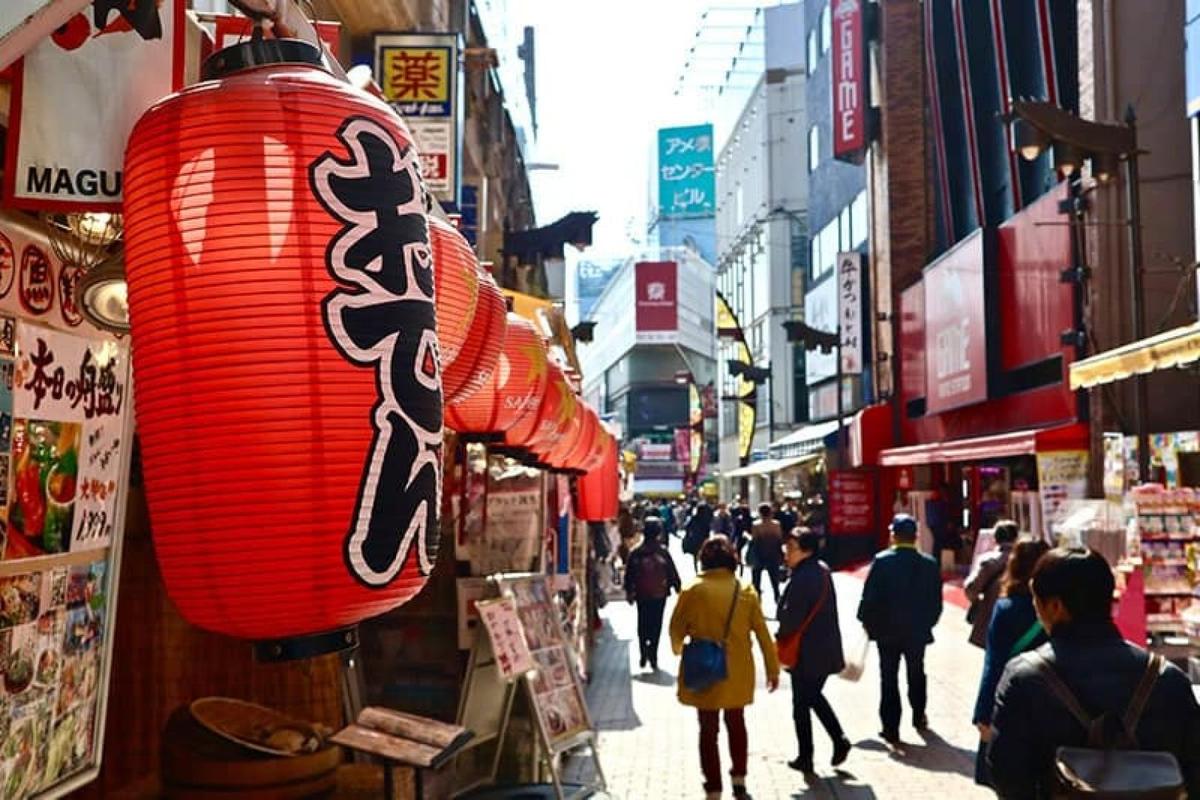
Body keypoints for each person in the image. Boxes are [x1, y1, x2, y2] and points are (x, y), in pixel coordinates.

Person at [989, 547, 1200, 798]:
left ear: (1056, 606)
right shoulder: (1167, 678)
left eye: (1037, 601)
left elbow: (1007, 776)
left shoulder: (1025, 678)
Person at [670, 536, 780, 800]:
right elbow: (764, 634)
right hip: (737, 668)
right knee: (736, 722)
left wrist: (679, 649)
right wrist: (772, 668)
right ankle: (739, 779)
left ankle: (714, 787)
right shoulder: (745, 590)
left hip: (703, 668)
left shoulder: (693, 589)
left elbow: (676, 630)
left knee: (708, 730)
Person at [969, 536, 1049, 787]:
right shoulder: (1058, 606)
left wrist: (983, 712)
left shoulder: (1007, 607)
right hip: (1053, 699)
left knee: (1010, 777)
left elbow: (994, 664)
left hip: (1011, 699)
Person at [856, 513, 943, 744]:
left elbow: (870, 598)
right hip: (917, 631)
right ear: (915, 536)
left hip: (887, 632)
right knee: (916, 673)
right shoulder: (929, 564)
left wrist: (866, 621)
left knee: (889, 678)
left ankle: (890, 727)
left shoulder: (882, 561)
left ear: (893, 535)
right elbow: (936, 603)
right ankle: (919, 714)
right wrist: (927, 623)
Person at [776, 528, 851, 775]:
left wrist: (780, 637)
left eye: (791, 548)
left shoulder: (802, 578)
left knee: (803, 702)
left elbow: (789, 618)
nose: (786, 552)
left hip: (806, 652)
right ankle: (831, 743)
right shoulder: (820, 570)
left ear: (805, 550)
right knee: (811, 698)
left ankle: (812, 753)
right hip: (824, 648)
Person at [624, 518, 682, 670]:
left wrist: (629, 592)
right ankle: (653, 654)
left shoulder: (636, 552)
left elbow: (628, 574)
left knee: (642, 622)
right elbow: (672, 572)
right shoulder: (662, 552)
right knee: (656, 624)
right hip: (659, 593)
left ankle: (643, 651)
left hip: (641, 594)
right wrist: (678, 587)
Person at [964, 519, 1020, 649]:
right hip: (1022, 618)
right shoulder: (1026, 558)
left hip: (993, 617)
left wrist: (978, 602)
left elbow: (971, 589)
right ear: (1016, 537)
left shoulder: (988, 561)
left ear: (996, 538)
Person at [749, 504, 784, 604]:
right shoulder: (776, 524)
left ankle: (757, 601)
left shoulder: (756, 525)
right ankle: (777, 599)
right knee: (774, 580)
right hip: (773, 554)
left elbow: (754, 540)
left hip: (759, 554)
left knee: (756, 581)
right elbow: (779, 539)